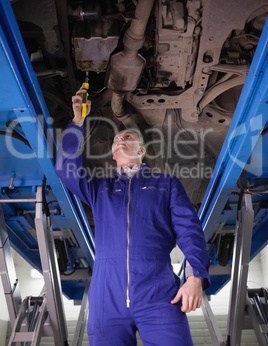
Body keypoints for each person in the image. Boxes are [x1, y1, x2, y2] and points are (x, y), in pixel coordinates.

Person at [55, 86, 210, 346]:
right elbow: (65, 169)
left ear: (141, 151)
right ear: (113, 154)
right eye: (116, 140)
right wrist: (78, 121)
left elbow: (189, 231)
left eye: (126, 136)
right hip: (107, 298)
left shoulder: (166, 184)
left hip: (159, 295)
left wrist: (194, 277)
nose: (119, 139)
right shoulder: (100, 189)